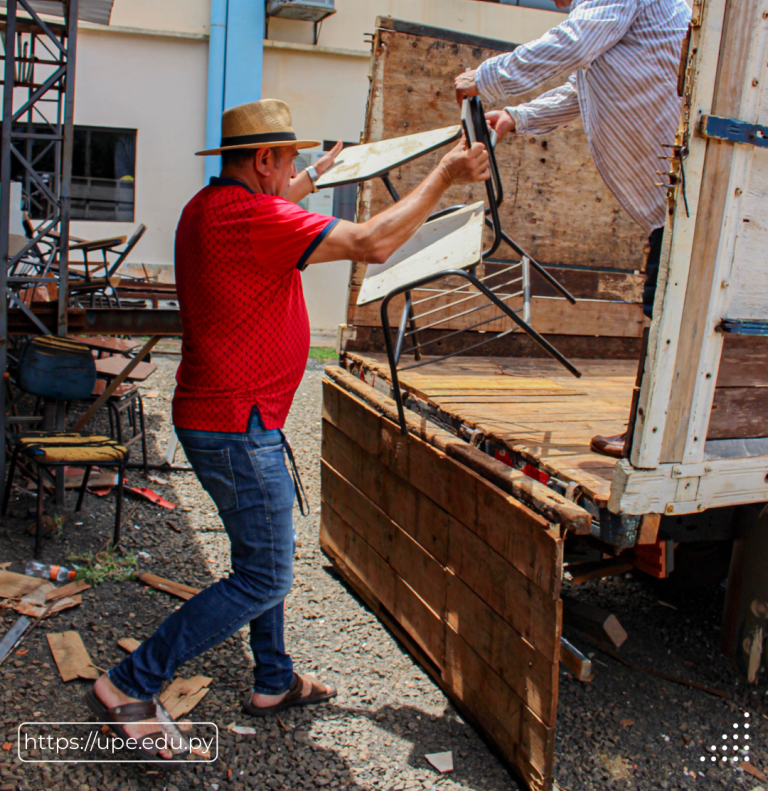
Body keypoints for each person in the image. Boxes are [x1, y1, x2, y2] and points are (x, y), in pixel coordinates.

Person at [86, 98, 490, 766]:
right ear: (266, 160)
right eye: (292, 162)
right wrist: (446, 173)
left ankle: (273, 680)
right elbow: (372, 242)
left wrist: (316, 177)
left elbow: (283, 204)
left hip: (229, 417)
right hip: (236, 426)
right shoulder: (254, 219)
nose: (297, 171)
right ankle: (130, 683)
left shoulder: (210, 207)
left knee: (263, 553)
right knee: (265, 575)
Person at [454, 0, 691, 458]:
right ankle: (652, 432)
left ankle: (655, 437)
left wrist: (485, 77)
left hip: (688, 192)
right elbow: (587, 88)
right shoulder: (605, 0)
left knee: (670, 311)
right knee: (666, 310)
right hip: (671, 198)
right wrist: (518, 117)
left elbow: (572, 47)